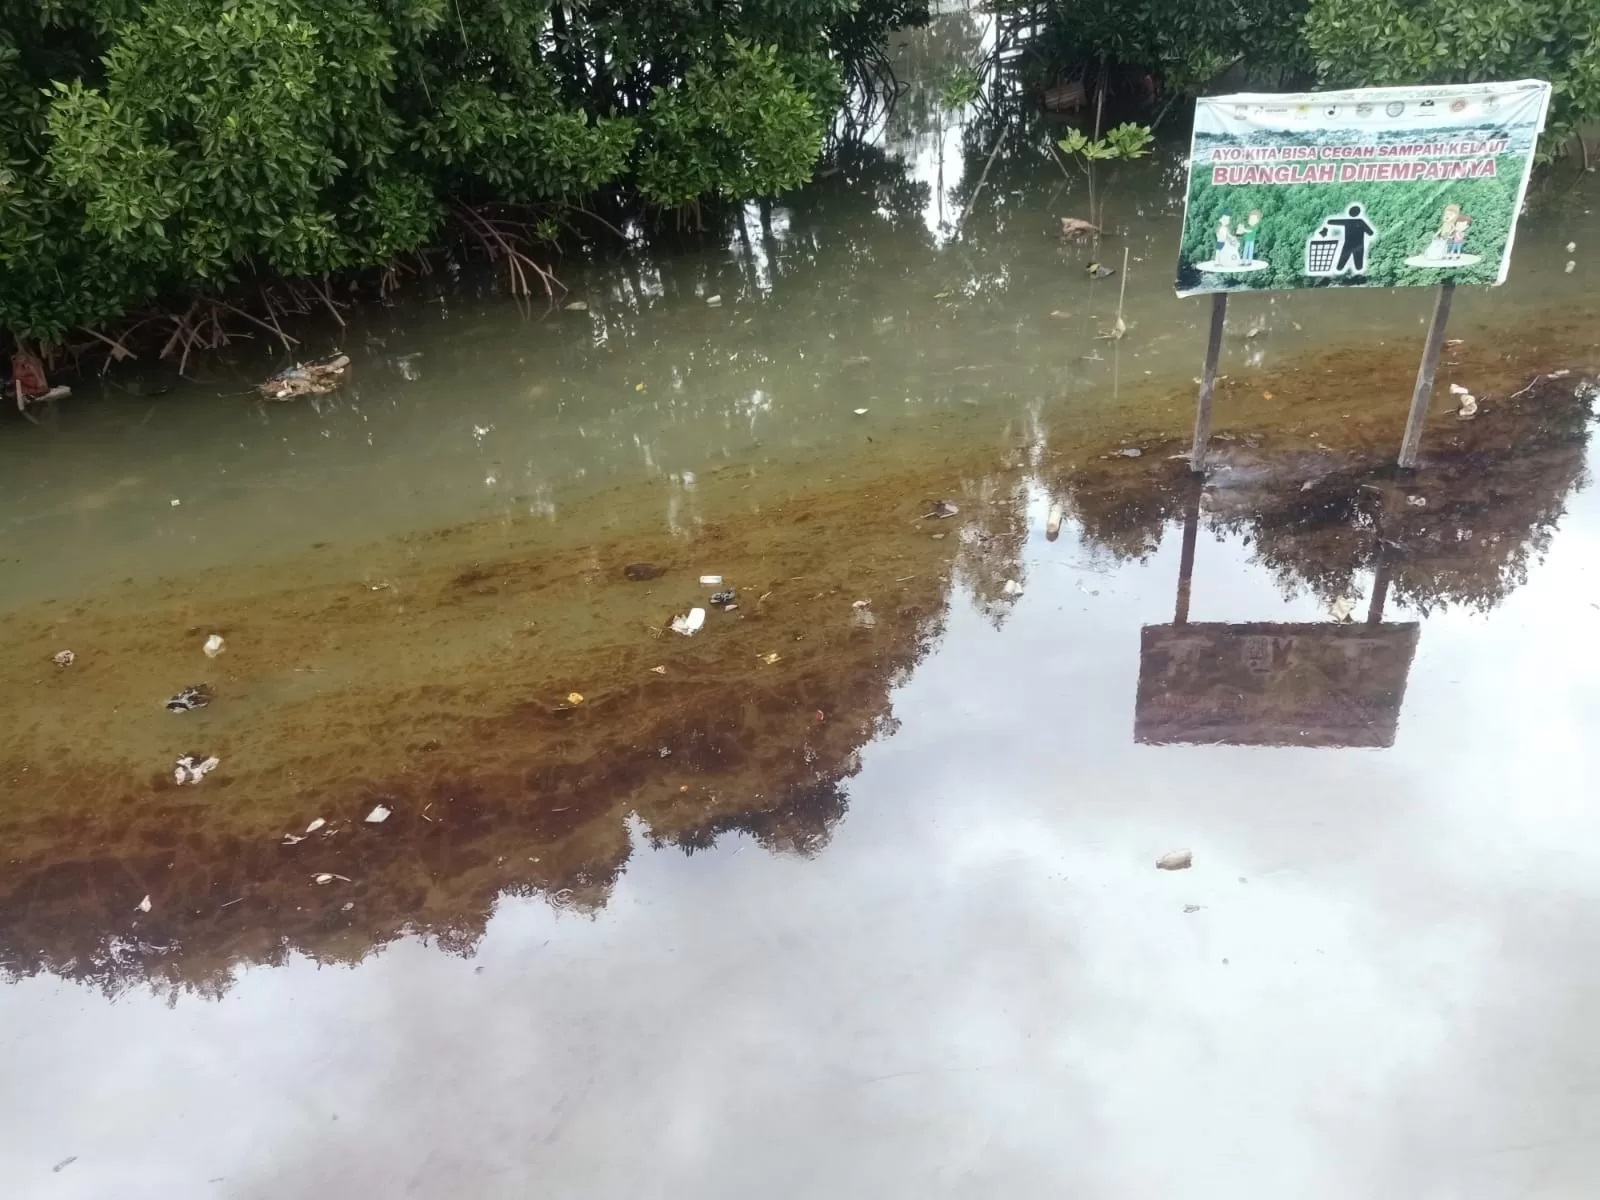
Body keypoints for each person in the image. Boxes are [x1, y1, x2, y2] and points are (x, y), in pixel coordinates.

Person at [1328, 203, 1376, 273]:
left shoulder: (1347, 221)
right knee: (1359, 265)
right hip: (1359, 245)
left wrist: (1329, 222)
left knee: (1341, 263)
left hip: (1348, 244)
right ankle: (1357, 270)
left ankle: (1339, 268)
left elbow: (1333, 222)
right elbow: (1371, 233)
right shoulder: (1361, 222)